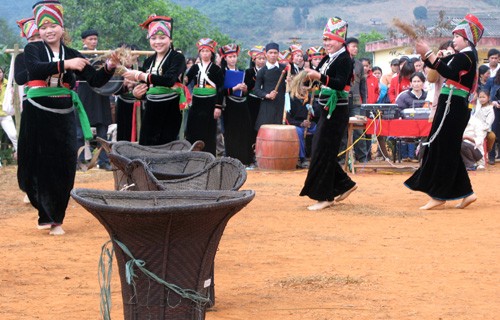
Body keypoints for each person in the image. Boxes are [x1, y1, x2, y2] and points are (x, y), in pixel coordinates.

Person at [17, 0, 118, 234]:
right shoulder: (33, 50)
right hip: (37, 112)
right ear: (38, 31)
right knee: (37, 163)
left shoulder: (73, 53)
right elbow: (34, 70)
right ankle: (44, 212)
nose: (48, 30)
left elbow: (95, 81)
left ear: (62, 28)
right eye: (43, 27)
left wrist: (110, 66)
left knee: (63, 164)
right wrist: (66, 64)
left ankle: (56, 218)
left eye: (52, 25)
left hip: (63, 114)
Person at [404, 14, 484, 210]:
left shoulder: (466, 56)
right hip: (451, 104)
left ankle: (438, 194)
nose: (453, 39)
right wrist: (426, 55)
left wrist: (430, 53)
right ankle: (466, 192)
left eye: (456, 36)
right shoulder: (463, 56)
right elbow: (437, 68)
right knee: (446, 147)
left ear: (466, 39)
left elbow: (447, 73)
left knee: (442, 146)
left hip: (453, 105)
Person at [299, 16, 357, 211]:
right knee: (321, 151)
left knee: (323, 151)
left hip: (337, 111)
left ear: (341, 40)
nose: (327, 43)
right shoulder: (327, 58)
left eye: (330, 39)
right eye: (325, 39)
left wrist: (320, 77)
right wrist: (304, 83)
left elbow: (340, 83)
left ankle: (325, 196)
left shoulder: (345, 59)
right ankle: (345, 184)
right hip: (325, 110)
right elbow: (314, 77)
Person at [122, 15, 186, 146]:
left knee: (167, 146)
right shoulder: (148, 61)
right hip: (151, 109)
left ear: (170, 39)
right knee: (147, 145)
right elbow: (145, 88)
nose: (158, 42)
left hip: (170, 109)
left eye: (162, 38)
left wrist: (141, 75)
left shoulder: (177, 58)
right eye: (154, 38)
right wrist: (137, 94)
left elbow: (169, 80)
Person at [184, 38, 224, 156]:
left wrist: (218, 106)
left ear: (211, 53)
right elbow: (186, 80)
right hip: (196, 102)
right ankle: (192, 155)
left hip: (210, 102)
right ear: (199, 53)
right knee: (193, 128)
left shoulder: (216, 69)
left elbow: (220, 88)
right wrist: (181, 77)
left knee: (209, 130)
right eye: (202, 51)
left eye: (207, 51)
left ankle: (209, 155)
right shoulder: (195, 68)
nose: (205, 53)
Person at [219, 44, 253, 165]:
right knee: (230, 133)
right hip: (228, 105)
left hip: (241, 105)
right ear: (225, 58)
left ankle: (244, 159)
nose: (233, 59)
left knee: (243, 131)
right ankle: (231, 159)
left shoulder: (242, 72)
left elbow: (246, 92)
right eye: (230, 57)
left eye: (234, 56)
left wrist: (244, 89)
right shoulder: (221, 73)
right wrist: (233, 88)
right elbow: (220, 91)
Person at [339, 37, 368, 163]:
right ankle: (342, 158)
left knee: (358, 129)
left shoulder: (359, 65)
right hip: (342, 100)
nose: (355, 49)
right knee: (342, 130)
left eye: (357, 46)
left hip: (356, 102)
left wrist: (365, 103)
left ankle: (362, 157)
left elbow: (363, 85)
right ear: (346, 47)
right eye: (353, 46)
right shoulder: (339, 62)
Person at [253, 42, 287, 131]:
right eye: (270, 53)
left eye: (275, 53)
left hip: (282, 104)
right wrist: (267, 95)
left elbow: (290, 87)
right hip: (268, 105)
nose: (273, 55)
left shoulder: (285, 69)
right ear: (266, 54)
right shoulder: (262, 71)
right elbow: (256, 90)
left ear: (278, 54)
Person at [395, 71, 428, 162]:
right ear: (410, 83)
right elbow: (398, 111)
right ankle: (406, 156)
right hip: (408, 125)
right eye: (414, 81)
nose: (416, 84)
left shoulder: (428, 96)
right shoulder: (404, 96)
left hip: (424, 125)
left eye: (419, 81)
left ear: (423, 83)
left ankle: (420, 156)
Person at [245, 45, 266, 164]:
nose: (261, 61)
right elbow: (247, 87)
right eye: (259, 59)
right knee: (252, 127)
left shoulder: (268, 71)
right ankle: (251, 154)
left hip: (265, 102)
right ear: (254, 60)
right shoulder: (248, 72)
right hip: (252, 101)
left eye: (263, 59)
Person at [471, 90, 494, 168]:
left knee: (478, 141)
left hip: (483, 129)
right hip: (472, 127)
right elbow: (470, 105)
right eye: (480, 97)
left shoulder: (490, 110)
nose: (481, 99)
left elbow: (487, 125)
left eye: (484, 97)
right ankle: (470, 160)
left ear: (488, 98)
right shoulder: (477, 106)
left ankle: (481, 162)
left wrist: (479, 128)